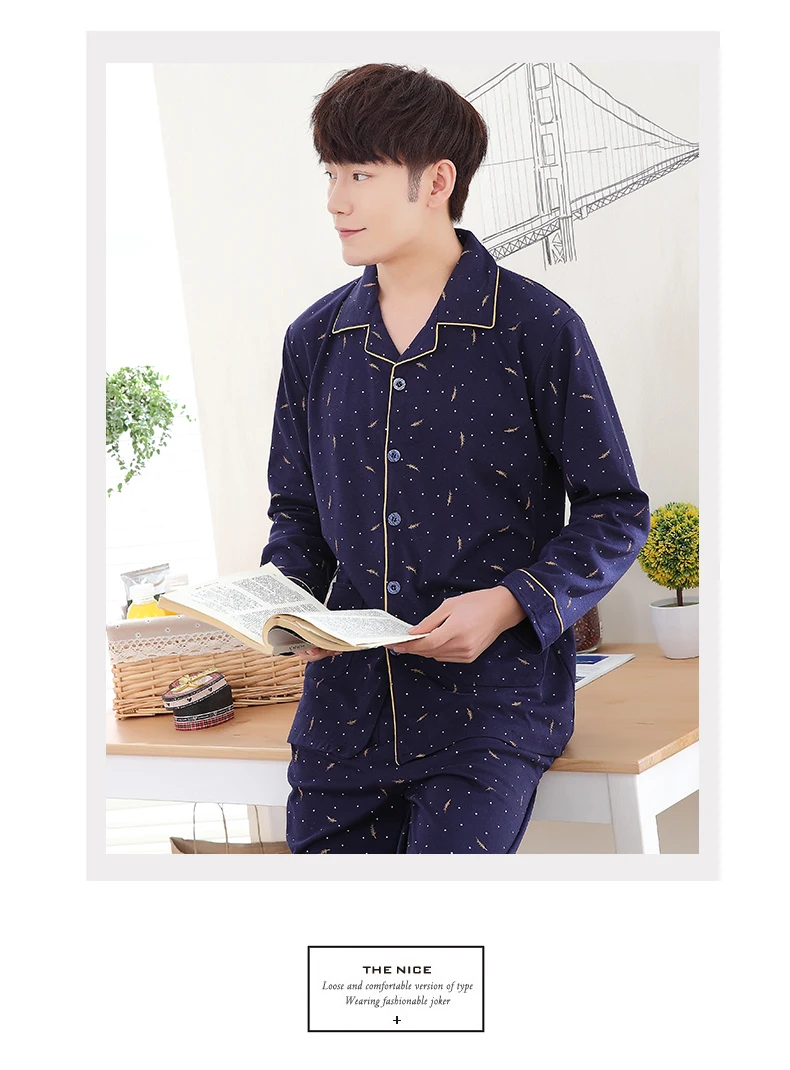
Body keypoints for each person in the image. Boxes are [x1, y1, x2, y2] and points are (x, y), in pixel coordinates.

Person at [259, 63, 651, 853]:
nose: (335, 200)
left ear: (436, 181)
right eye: (331, 173)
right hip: (342, 721)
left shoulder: (536, 327)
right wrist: (279, 604)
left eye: (361, 175)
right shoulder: (314, 341)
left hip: (491, 712)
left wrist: (507, 603)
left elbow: (616, 511)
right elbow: (297, 514)